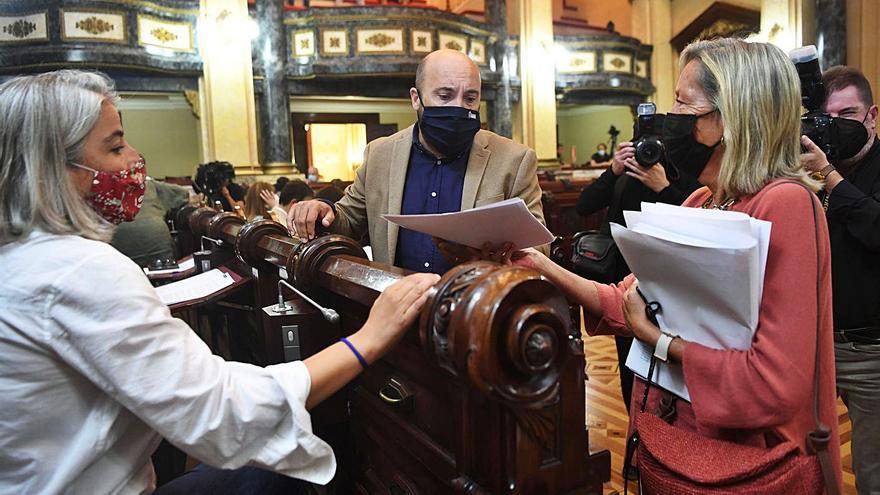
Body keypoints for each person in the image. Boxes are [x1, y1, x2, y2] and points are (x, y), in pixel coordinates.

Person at [0, 69, 439, 493]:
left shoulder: (26, 257)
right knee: (283, 469)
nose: (135, 160)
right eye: (115, 148)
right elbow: (224, 414)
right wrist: (369, 340)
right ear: (54, 169)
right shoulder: (78, 269)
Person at [510, 38, 841, 491]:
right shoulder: (703, 200)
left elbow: (777, 382)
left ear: (731, 119)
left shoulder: (785, 204)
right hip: (677, 440)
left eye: (684, 104)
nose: (670, 119)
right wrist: (537, 263)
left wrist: (662, 342)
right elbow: (622, 299)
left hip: (744, 459)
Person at [287, 49, 548, 275]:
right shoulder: (379, 155)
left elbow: (539, 249)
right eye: (444, 96)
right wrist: (323, 209)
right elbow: (349, 221)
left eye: (470, 98)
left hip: (478, 312)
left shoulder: (514, 159)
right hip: (398, 307)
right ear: (416, 98)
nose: (458, 108)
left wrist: (503, 257)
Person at [575, 134, 702, 412]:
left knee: (667, 379)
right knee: (628, 370)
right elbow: (584, 205)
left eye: (654, 149)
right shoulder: (624, 175)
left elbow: (701, 224)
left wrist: (665, 187)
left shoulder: (681, 176)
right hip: (625, 288)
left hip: (671, 289)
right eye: (642, 147)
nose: (647, 154)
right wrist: (613, 170)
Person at [800, 65, 880, 495]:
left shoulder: (833, 173)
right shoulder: (807, 176)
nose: (838, 127)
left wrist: (830, 175)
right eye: (827, 119)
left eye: (847, 115)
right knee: (809, 462)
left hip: (872, 352)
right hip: (817, 347)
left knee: (872, 472)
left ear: (872, 115)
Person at [111, 174, 193, 267]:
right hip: (157, 241)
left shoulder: (101, 188)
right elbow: (183, 194)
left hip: (119, 247)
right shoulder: (148, 183)